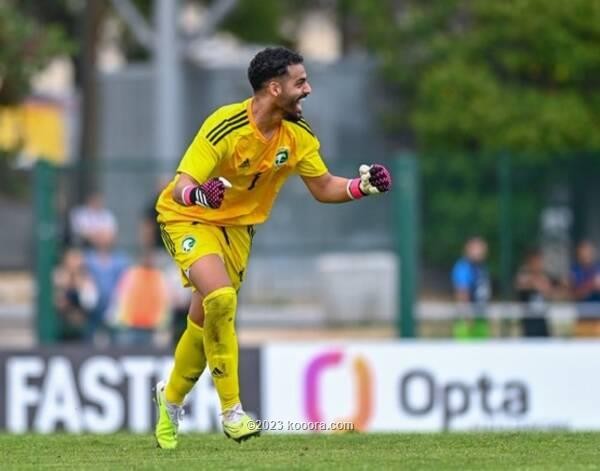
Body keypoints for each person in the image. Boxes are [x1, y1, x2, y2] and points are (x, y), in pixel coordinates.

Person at [152, 47, 392, 449]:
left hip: (238, 231)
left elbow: (323, 186)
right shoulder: (224, 126)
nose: (308, 89)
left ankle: (170, 399)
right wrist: (202, 196)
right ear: (274, 87)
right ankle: (232, 412)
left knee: (204, 319)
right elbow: (182, 184)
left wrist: (359, 187)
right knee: (222, 299)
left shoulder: (298, 135)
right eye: (300, 82)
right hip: (188, 217)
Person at [53, 248, 99, 342]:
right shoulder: (57, 277)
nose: (75, 263)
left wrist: (80, 285)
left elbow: (90, 303)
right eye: (72, 258)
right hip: (60, 328)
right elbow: (57, 303)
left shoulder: (87, 279)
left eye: (78, 259)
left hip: (82, 330)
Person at [451, 237, 491, 339]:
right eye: (476, 248)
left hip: (480, 316)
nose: (479, 251)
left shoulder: (482, 267)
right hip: (468, 319)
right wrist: (467, 315)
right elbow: (462, 291)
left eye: (481, 248)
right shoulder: (464, 267)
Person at [514, 248, 555, 337]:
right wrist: (535, 283)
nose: (539, 264)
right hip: (529, 324)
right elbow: (521, 284)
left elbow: (549, 293)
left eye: (540, 261)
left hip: (542, 322)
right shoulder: (523, 275)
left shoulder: (544, 277)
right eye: (536, 261)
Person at [570, 240, 600, 336]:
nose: (585, 254)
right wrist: (592, 285)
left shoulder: (597, 268)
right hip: (583, 318)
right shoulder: (575, 270)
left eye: (587, 251)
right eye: (582, 251)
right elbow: (575, 294)